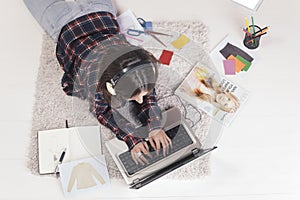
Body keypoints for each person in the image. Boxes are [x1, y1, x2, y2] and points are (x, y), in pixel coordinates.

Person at [23, 0, 172, 165]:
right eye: (134, 98)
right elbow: (102, 112)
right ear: (110, 87)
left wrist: (155, 125)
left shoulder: (136, 64)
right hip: (63, 20)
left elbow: (144, 88)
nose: (140, 101)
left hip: (99, 9)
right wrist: (131, 137)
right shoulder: (95, 83)